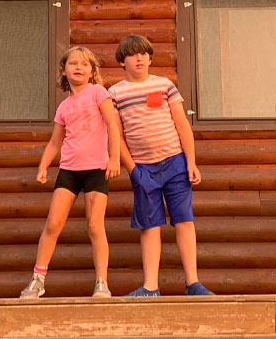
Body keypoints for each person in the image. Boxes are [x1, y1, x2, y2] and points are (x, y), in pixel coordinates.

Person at [108, 35, 214, 297]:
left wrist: (191, 163)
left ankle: (193, 283)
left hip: (175, 162)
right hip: (143, 168)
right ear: (123, 62)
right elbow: (116, 135)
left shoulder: (165, 85)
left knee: (184, 220)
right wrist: (132, 169)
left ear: (150, 58)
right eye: (133, 54)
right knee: (149, 225)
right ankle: (150, 286)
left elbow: (182, 125)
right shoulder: (115, 93)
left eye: (144, 54)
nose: (140, 58)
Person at [20, 46, 120, 299]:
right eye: (73, 63)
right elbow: (55, 142)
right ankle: (38, 279)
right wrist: (43, 165)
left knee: (95, 225)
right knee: (53, 223)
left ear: (92, 71)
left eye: (84, 64)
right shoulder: (64, 107)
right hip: (69, 170)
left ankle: (101, 282)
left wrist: (114, 158)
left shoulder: (98, 93)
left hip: (97, 168)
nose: (78, 67)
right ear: (64, 71)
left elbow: (112, 125)